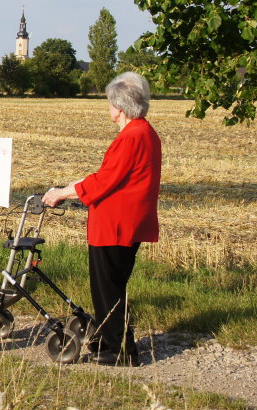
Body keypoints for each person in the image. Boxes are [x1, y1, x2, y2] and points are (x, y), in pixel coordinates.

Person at [42, 71, 161, 366]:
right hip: (129, 222)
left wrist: (61, 193)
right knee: (114, 286)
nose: (109, 108)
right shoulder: (145, 133)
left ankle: (119, 350)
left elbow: (105, 181)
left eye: (110, 103)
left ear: (119, 107)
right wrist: (72, 186)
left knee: (107, 289)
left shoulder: (131, 136)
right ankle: (116, 343)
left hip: (115, 225)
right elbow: (112, 175)